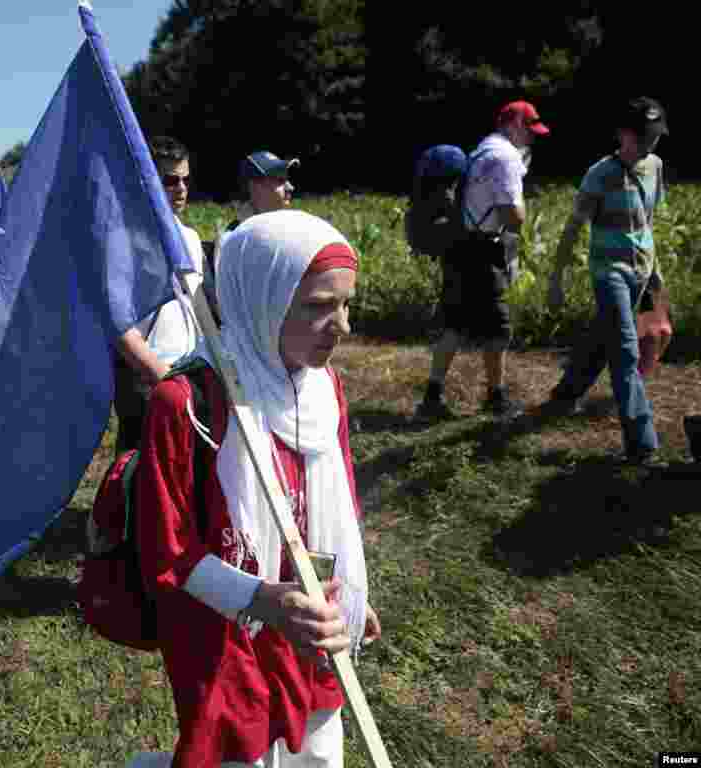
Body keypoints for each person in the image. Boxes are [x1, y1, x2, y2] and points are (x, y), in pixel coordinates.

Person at [130, 210, 381, 768]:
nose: (340, 325)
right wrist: (260, 599)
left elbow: (340, 494)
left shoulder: (323, 388)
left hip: (310, 627)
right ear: (260, 298)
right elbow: (164, 551)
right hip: (226, 633)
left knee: (314, 749)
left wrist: (353, 594)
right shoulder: (189, 402)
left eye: (345, 304)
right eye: (317, 306)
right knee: (235, 752)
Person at [545, 97, 669, 465]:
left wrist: (656, 275)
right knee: (625, 352)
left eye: (655, 136)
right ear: (623, 134)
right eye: (644, 136)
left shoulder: (655, 166)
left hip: (643, 271)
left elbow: (647, 223)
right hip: (610, 272)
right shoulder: (599, 174)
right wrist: (556, 279)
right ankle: (642, 444)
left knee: (606, 336)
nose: (651, 143)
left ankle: (566, 395)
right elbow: (572, 229)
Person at [414, 100, 549, 422]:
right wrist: (523, 212)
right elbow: (513, 216)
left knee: (455, 322)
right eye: (529, 129)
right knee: (497, 326)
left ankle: (432, 397)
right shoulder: (505, 158)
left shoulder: (483, 149)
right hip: (483, 250)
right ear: (513, 124)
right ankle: (495, 397)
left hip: (461, 244)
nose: (533, 136)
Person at [112, 136, 205, 455]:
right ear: (148, 181)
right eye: (170, 180)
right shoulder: (125, 240)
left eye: (185, 179)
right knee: (140, 475)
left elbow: (197, 306)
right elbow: (118, 322)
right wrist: (158, 376)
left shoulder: (191, 238)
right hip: (145, 377)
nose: (180, 188)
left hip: (188, 370)